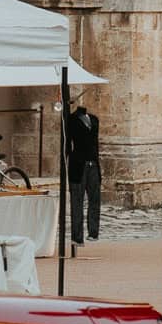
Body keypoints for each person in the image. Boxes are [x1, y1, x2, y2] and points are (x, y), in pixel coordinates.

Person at [65, 101, 102, 246]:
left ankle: (93, 232)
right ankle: (77, 236)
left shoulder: (94, 120)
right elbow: (67, 144)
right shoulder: (71, 119)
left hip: (93, 163)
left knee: (95, 199)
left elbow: (96, 144)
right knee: (77, 201)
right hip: (78, 164)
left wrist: (98, 167)